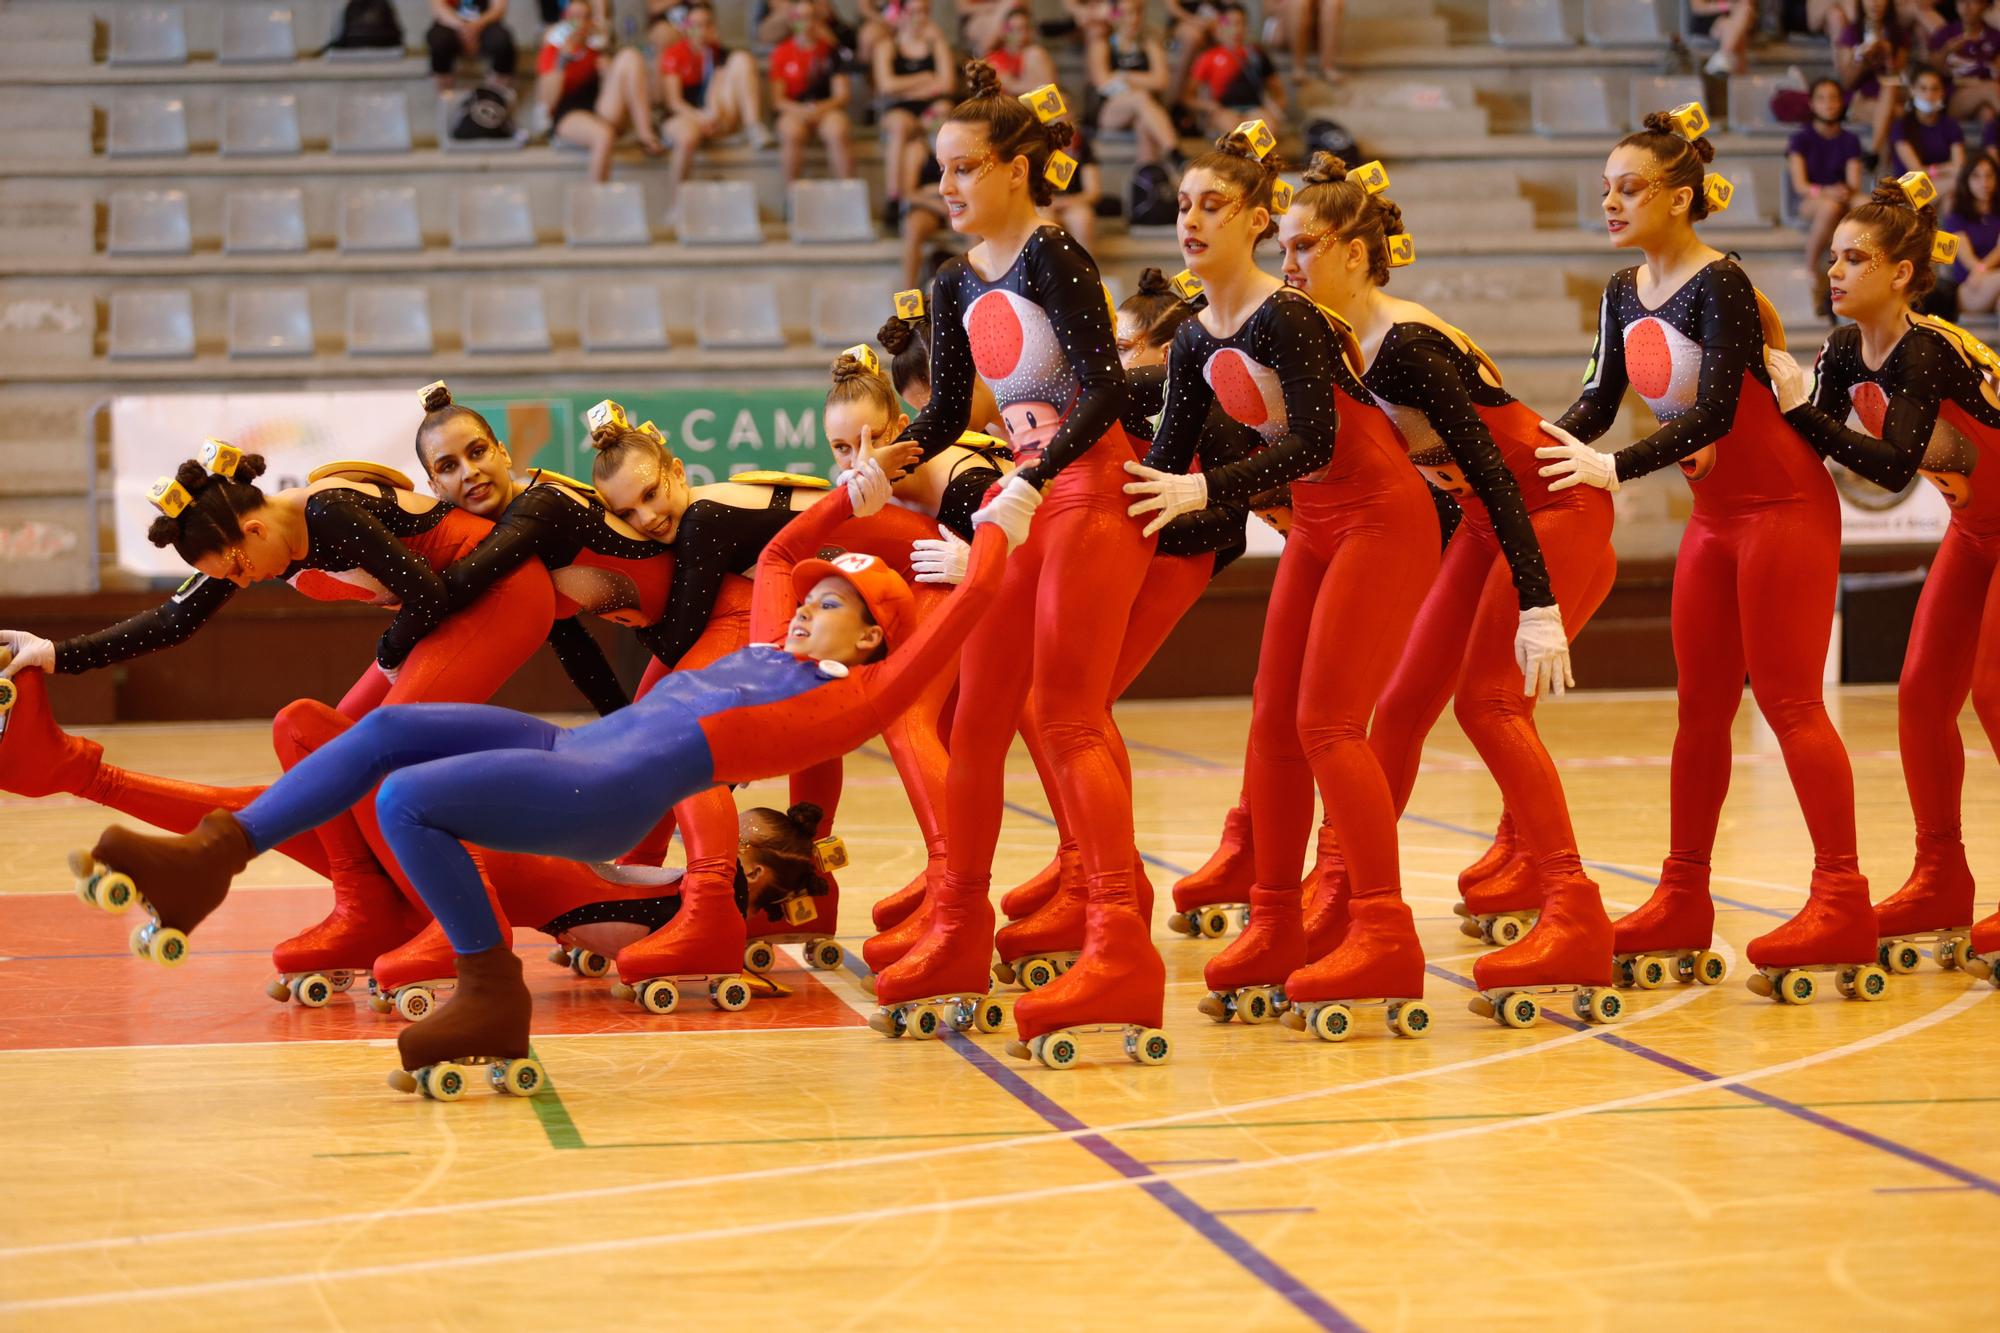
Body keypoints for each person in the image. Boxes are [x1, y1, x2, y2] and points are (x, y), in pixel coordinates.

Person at [77, 452, 1020, 1094]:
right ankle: (211, 857)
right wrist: (846, 500)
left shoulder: (857, 697)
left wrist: (995, 545)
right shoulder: (776, 636)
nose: (807, 607)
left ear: (874, 635)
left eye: (832, 603)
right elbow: (777, 551)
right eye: (811, 598)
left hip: (606, 797)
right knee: (374, 742)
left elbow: (956, 622)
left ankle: (490, 991)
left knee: (408, 801)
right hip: (564, 750)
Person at [1535, 108, 1885, 1004]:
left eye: (1631, 187)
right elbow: (1598, 402)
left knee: (1793, 705)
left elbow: (1717, 413)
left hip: (1785, 513)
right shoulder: (1623, 290)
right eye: (1606, 187)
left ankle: (1843, 898)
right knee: (1698, 715)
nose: (1611, 201)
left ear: (1680, 198)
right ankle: (1683, 894)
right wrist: (1520, 449)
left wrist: (1610, 471)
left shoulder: (1719, 285)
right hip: (1716, 522)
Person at [1277, 153, 1626, 1030]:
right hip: (1480, 523)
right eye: (1280, 247)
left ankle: (1575, 911)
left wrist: (1539, 603)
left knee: (1488, 704)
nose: (1287, 265)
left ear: (1357, 254)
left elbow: (1498, 477)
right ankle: (1349, 895)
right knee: (1394, 712)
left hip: (1553, 510)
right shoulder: (1333, 344)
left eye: (1304, 247)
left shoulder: (1405, 346)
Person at [874, 61, 1164, 1069]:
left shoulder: (1054, 259)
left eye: (960, 169)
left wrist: (1036, 482)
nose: (945, 188)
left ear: (1015, 170)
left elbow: (1107, 394)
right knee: (974, 714)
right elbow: (950, 411)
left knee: (1065, 713)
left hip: (1087, 493)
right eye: (937, 170)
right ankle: (958, 928)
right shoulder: (955, 279)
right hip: (1027, 496)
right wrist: (888, 459)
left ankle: (1117, 939)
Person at [1120, 129, 1441, 1029]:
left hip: (1381, 515)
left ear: (1258, 220)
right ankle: (1275, 918)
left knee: (1328, 722)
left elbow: (1320, 441)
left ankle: (1384, 930)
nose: (1190, 220)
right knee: (1272, 716)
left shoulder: (1285, 315)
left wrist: (1204, 489)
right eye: (1182, 205)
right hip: (1319, 524)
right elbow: (1164, 457)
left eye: (1212, 206)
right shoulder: (1192, 337)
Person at [1763, 175, 1996, 981]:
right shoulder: (1836, 351)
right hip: (1977, 527)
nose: (1835, 271)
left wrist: (1797, 409)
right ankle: (1941, 877)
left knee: (1994, 691)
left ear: (1901, 272)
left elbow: (1894, 469)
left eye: (1855, 258)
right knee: (1922, 694)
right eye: (1832, 257)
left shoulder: (1924, 349)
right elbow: (1810, 450)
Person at [538, 0, 663, 181]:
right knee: (603, 136)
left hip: (597, 110)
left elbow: (612, 93)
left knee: (630, 56)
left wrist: (606, 73)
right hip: (568, 113)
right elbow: (548, 101)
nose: (579, 23)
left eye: (585, 17)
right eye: (574, 18)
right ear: (565, 21)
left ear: (592, 22)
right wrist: (562, 62)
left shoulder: (596, 53)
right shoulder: (552, 52)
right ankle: (595, 200)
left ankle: (645, 133)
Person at [657, 1, 771, 185]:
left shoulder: (718, 54)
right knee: (687, 137)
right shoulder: (674, 54)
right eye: (696, 25)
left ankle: (754, 125)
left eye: (706, 24)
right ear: (686, 27)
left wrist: (712, 115)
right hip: (686, 115)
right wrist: (699, 117)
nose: (701, 30)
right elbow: (674, 102)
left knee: (742, 58)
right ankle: (677, 204)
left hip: (714, 116)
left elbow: (717, 95)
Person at [875, 0, 958, 231]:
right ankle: (894, 197)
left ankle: (949, 190)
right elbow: (886, 86)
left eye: (924, 12)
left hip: (930, 107)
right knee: (900, 125)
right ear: (900, 14)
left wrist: (906, 86)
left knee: (942, 113)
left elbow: (947, 84)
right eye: (913, 12)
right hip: (900, 109)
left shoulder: (935, 44)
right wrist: (924, 79)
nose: (919, 18)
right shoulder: (888, 45)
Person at [1787, 78, 1866, 318]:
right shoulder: (1800, 139)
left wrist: (1844, 191)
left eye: (1834, 98)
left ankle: (1866, 266)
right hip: (1812, 198)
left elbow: (1853, 183)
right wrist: (1827, 191)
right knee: (1830, 207)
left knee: (1866, 205)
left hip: (1842, 194)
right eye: (1822, 98)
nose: (1828, 104)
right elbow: (1801, 186)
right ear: (1812, 103)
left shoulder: (1850, 140)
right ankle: (1810, 269)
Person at [770, 0, 857, 184]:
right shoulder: (782, 52)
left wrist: (820, 108)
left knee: (837, 129)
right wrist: (802, 111)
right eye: (800, 18)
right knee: (791, 131)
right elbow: (778, 100)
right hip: (795, 109)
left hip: (825, 108)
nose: (806, 23)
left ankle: (847, 193)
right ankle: (791, 196)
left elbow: (842, 95)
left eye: (810, 17)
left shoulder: (832, 50)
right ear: (792, 21)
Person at [1086, 1, 1180, 168]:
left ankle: (1148, 179)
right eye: (1127, 13)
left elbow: (1161, 81)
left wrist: (1124, 76)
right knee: (1140, 97)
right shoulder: (1103, 43)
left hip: (1145, 110)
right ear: (1114, 16)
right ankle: (1175, 152)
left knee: (1143, 124)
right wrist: (1143, 81)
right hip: (1110, 111)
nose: (1133, 19)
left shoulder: (1148, 42)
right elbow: (1102, 82)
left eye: (1137, 13)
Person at [1186, 3, 1283, 138]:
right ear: (1219, 27)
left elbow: (1278, 91)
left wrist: (1275, 109)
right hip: (1224, 110)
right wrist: (1208, 106)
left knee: (1264, 132)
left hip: (1254, 110)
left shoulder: (1256, 54)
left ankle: (1258, 158)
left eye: (1241, 23)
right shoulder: (1208, 57)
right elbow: (1188, 97)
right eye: (1230, 23)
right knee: (1233, 136)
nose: (1237, 29)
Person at [1890, 66, 1966, 200]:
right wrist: (1944, 169)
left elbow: (1959, 166)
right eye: (1923, 89)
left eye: (1934, 89)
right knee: (1956, 183)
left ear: (1942, 92)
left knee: (1952, 194)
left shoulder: (1950, 125)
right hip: (1906, 187)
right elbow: (1916, 171)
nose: (1929, 95)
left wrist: (1936, 171)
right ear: (1913, 91)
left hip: (1940, 186)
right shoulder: (1901, 126)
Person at [1941, 150, 2000, 314]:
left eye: (1989, 176)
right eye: (1977, 176)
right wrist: (1981, 270)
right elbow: (1968, 260)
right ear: (1966, 180)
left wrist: (1981, 269)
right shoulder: (1956, 215)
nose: (1984, 182)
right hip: (1970, 287)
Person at [1927, 0, 2000, 121]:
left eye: (1973, 2)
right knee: (1991, 88)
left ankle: (1989, 140)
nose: (1966, 7)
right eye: (1961, 2)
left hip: (1984, 93)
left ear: (1984, 5)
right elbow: (1933, 69)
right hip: (1952, 96)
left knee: (1987, 114)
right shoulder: (1945, 33)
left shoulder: (1995, 36)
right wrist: (1946, 50)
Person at [427, 0, 515, 93]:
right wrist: (463, 28)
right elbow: (438, 9)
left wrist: (476, 26)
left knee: (501, 40)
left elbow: (498, 9)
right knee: (439, 40)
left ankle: (498, 91)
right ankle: (445, 89)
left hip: (485, 23)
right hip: (450, 23)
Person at [984, 6, 1057, 97]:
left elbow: (1049, 90)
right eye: (1014, 29)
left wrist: (1016, 85)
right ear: (1004, 31)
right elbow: (1010, 87)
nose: (1021, 34)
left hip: (1032, 104)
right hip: (1007, 107)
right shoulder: (994, 58)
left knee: (1034, 53)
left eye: (1025, 28)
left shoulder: (1034, 54)